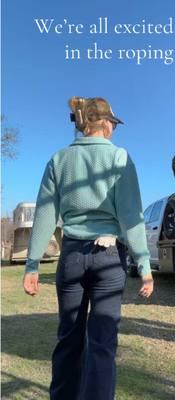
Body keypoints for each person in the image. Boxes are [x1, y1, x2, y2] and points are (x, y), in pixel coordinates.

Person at [23, 97, 154, 400]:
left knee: (68, 339)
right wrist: (144, 267)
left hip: (71, 256)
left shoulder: (59, 160)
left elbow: (44, 215)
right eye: (113, 124)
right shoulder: (120, 158)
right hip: (109, 260)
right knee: (102, 343)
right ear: (106, 123)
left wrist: (32, 265)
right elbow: (131, 216)